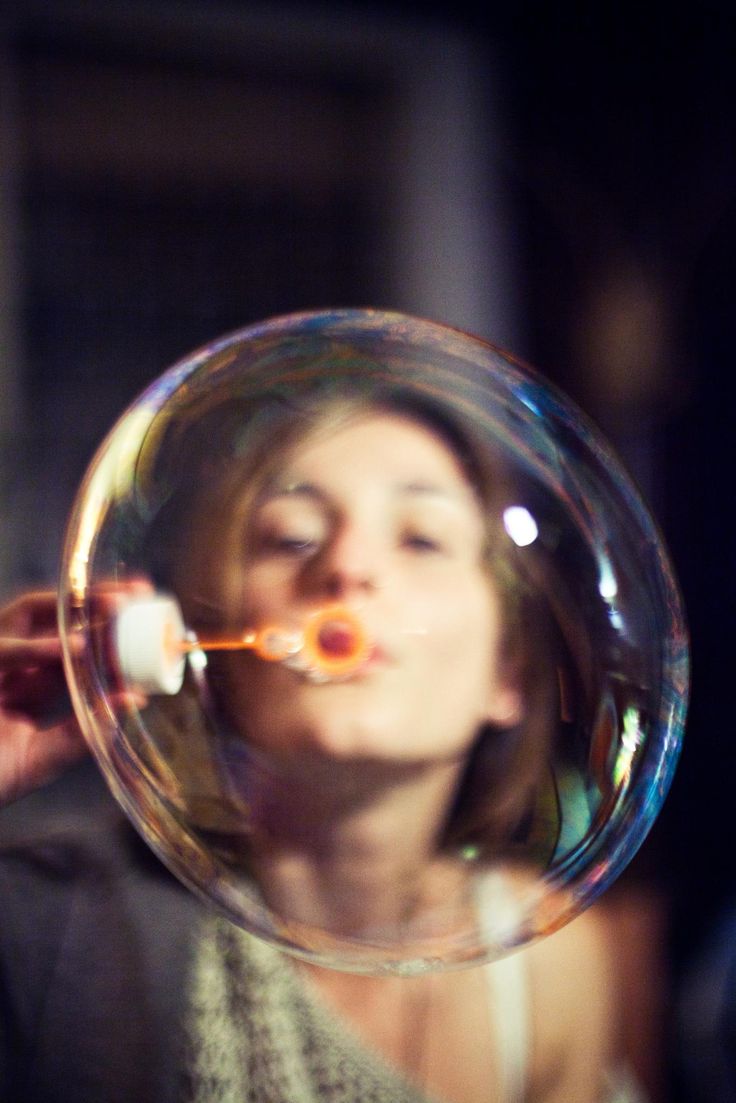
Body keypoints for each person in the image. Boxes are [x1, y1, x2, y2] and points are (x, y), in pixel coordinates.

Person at [0, 386, 642, 1102]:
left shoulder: (544, 963)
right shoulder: (47, 922)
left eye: (421, 537)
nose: (346, 567)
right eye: (293, 535)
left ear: (507, 672)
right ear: (218, 655)